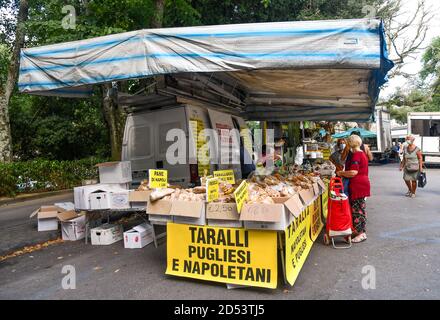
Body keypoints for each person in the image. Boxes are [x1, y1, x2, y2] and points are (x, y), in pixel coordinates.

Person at [336, 134, 371, 243]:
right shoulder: (362, 154)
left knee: (357, 210)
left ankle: (361, 234)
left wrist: (340, 173)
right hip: (362, 184)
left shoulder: (356, 155)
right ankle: (359, 231)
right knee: (360, 209)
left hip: (358, 185)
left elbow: (353, 172)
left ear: (350, 143)